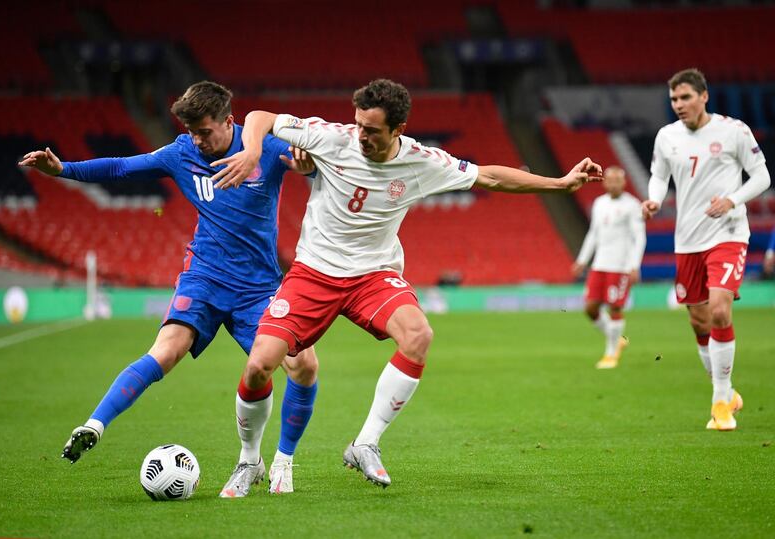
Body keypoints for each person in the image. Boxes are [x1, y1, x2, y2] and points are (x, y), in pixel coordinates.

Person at [208, 78, 602, 490]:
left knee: (418, 335)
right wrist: (252, 147)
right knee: (258, 366)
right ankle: (249, 460)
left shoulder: (421, 161)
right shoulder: (333, 138)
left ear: (398, 129)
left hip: (373, 276)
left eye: (372, 130)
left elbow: (491, 177)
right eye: (359, 124)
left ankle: (366, 442)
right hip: (313, 273)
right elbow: (261, 117)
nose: (361, 135)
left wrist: (559, 184)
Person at [19, 81, 320, 495]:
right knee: (165, 351)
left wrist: (310, 165)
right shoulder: (182, 153)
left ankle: (282, 459)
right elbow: (123, 167)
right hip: (204, 278)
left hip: (258, 287)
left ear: (229, 122)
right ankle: (95, 423)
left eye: (204, 131)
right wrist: (64, 170)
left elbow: (321, 163)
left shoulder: (265, 150)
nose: (197, 140)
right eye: (191, 131)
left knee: (302, 365)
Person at [641, 68, 771, 431]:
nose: (678, 105)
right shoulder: (667, 137)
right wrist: (653, 201)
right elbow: (658, 176)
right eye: (673, 100)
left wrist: (732, 200)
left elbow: (762, 176)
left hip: (728, 233)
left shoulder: (734, 131)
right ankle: (727, 393)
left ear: (704, 96)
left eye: (684, 98)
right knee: (698, 321)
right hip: (687, 240)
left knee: (718, 310)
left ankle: (720, 403)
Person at [572, 166, 646, 369]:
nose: (613, 184)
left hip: (620, 266)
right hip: (600, 264)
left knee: (615, 307)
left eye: (617, 180)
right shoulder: (599, 203)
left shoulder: (632, 205)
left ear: (624, 182)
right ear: (605, 182)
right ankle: (617, 339)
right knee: (590, 308)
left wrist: (634, 265)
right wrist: (582, 260)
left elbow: (638, 236)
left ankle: (611, 353)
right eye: (610, 180)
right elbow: (593, 234)